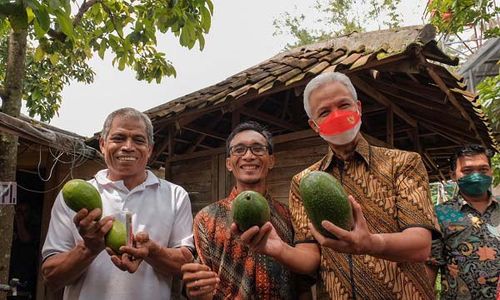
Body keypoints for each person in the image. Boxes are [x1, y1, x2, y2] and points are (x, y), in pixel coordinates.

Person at [236, 72, 441, 299]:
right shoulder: (303, 182)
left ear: (358, 108)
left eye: (344, 105)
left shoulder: (403, 163)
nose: (337, 115)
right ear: (314, 125)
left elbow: (420, 246)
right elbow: (310, 257)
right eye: (325, 112)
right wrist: (278, 249)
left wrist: (371, 243)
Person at [41, 107, 194, 300]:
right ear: (103, 145)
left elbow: (187, 266)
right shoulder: (71, 197)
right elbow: (51, 277)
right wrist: (88, 249)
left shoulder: (175, 195)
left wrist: (152, 251)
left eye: (138, 140)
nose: (128, 146)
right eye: (119, 138)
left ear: (150, 149)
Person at [181, 121, 312, 299]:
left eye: (258, 148)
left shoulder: (290, 217)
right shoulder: (206, 218)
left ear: (271, 160)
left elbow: (302, 286)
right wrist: (196, 290)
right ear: (229, 163)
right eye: (239, 149)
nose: (249, 156)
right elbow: (201, 283)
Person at [426, 144, 499, 299]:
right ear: (453, 175)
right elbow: (431, 265)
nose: (476, 175)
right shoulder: (439, 214)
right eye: (467, 171)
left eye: (483, 169)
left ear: (491, 172)